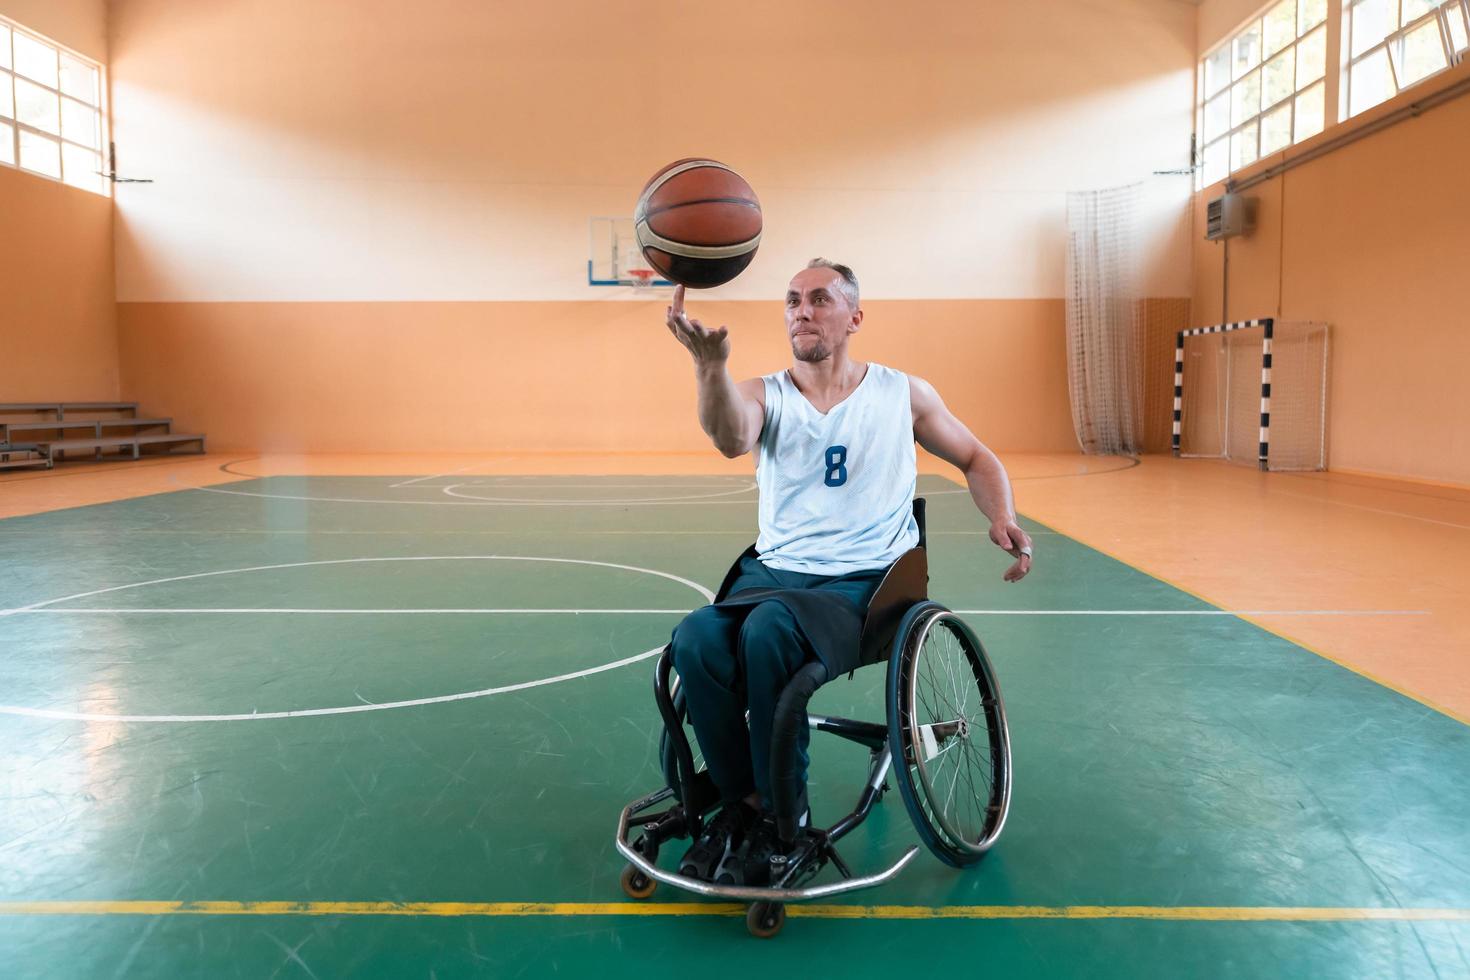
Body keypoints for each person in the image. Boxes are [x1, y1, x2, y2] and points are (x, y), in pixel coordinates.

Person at [663, 258, 1032, 885]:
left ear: (854, 317)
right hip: (775, 574)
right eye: (791, 301)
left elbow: (975, 456)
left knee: (768, 633)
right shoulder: (763, 392)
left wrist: (1002, 517)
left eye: (818, 299)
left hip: (866, 583)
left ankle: (786, 818)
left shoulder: (901, 393)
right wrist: (709, 366)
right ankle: (743, 804)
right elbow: (730, 437)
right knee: (696, 638)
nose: (801, 310)